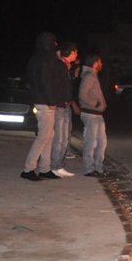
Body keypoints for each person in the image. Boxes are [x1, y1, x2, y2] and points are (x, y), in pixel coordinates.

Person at [22, 32, 66, 181]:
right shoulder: (47, 58)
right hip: (45, 102)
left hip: (40, 100)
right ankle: (28, 169)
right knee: (43, 136)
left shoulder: (35, 58)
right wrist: (52, 101)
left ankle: (45, 168)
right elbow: (46, 82)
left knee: (49, 135)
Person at [51, 42, 79, 178]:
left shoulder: (67, 66)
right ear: (71, 52)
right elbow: (56, 86)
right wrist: (60, 101)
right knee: (59, 138)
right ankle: (55, 166)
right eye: (76, 52)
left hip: (65, 105)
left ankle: (59, 165)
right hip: (60, 106)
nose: (77, 55)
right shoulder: (60, 65)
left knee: (64, 138)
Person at [78, 53, 108, 177]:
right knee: (91, 143)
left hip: (97, 114)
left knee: (102, 143)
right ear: (95, 63)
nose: (101, 64)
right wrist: (95, 104)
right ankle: (89, 169)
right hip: (91, 114)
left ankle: (98, 168)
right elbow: (82, 94)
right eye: (100, 62)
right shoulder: (89, 76)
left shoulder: (93, 75)